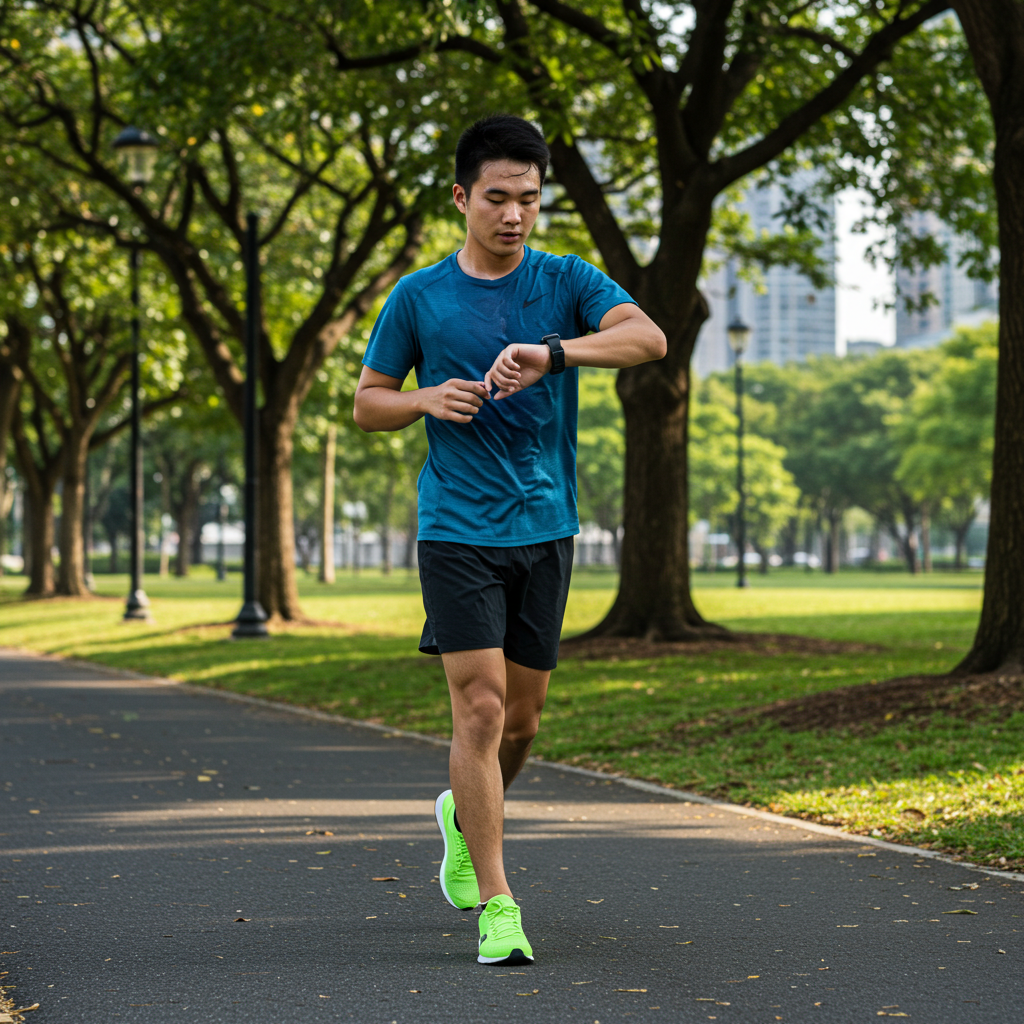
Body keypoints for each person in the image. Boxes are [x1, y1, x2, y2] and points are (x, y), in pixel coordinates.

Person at [353, 113, 666, 966]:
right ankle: (499, 903)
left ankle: (463, 815)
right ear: (462, 197)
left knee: (522, 723)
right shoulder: (418, 296)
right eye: (497, 197)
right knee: (480, 704)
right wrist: (424, 400)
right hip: (456, 527)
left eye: (529, 199)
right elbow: (367, 401)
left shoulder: (565, 281)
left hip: (545, 526)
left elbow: (649, 338)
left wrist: (554, 355)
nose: (514, 214)